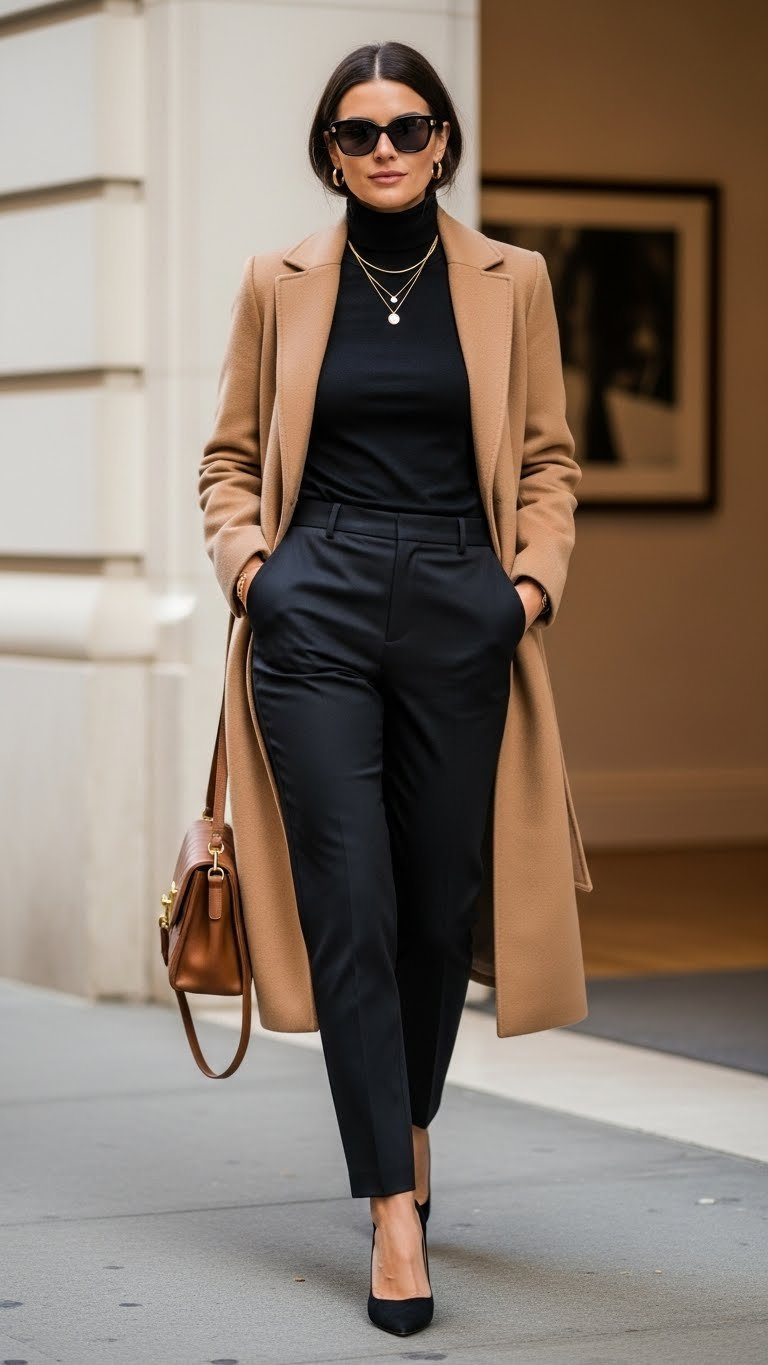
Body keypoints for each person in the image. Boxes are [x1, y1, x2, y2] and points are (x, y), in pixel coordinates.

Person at [199, 39, 586, 1339]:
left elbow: (546, 459)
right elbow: (229, 460)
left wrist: (523, 590)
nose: (383, 150)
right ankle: (391, 1207)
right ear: (329, 151)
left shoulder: (511, 280)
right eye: (357, 132)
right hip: (318, 606)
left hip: (459, 610)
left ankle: (405, 1118)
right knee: (349, 897)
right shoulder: (280, 280)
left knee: (437, 906)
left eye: (408, 128)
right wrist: (257, 572)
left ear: (441, 144)